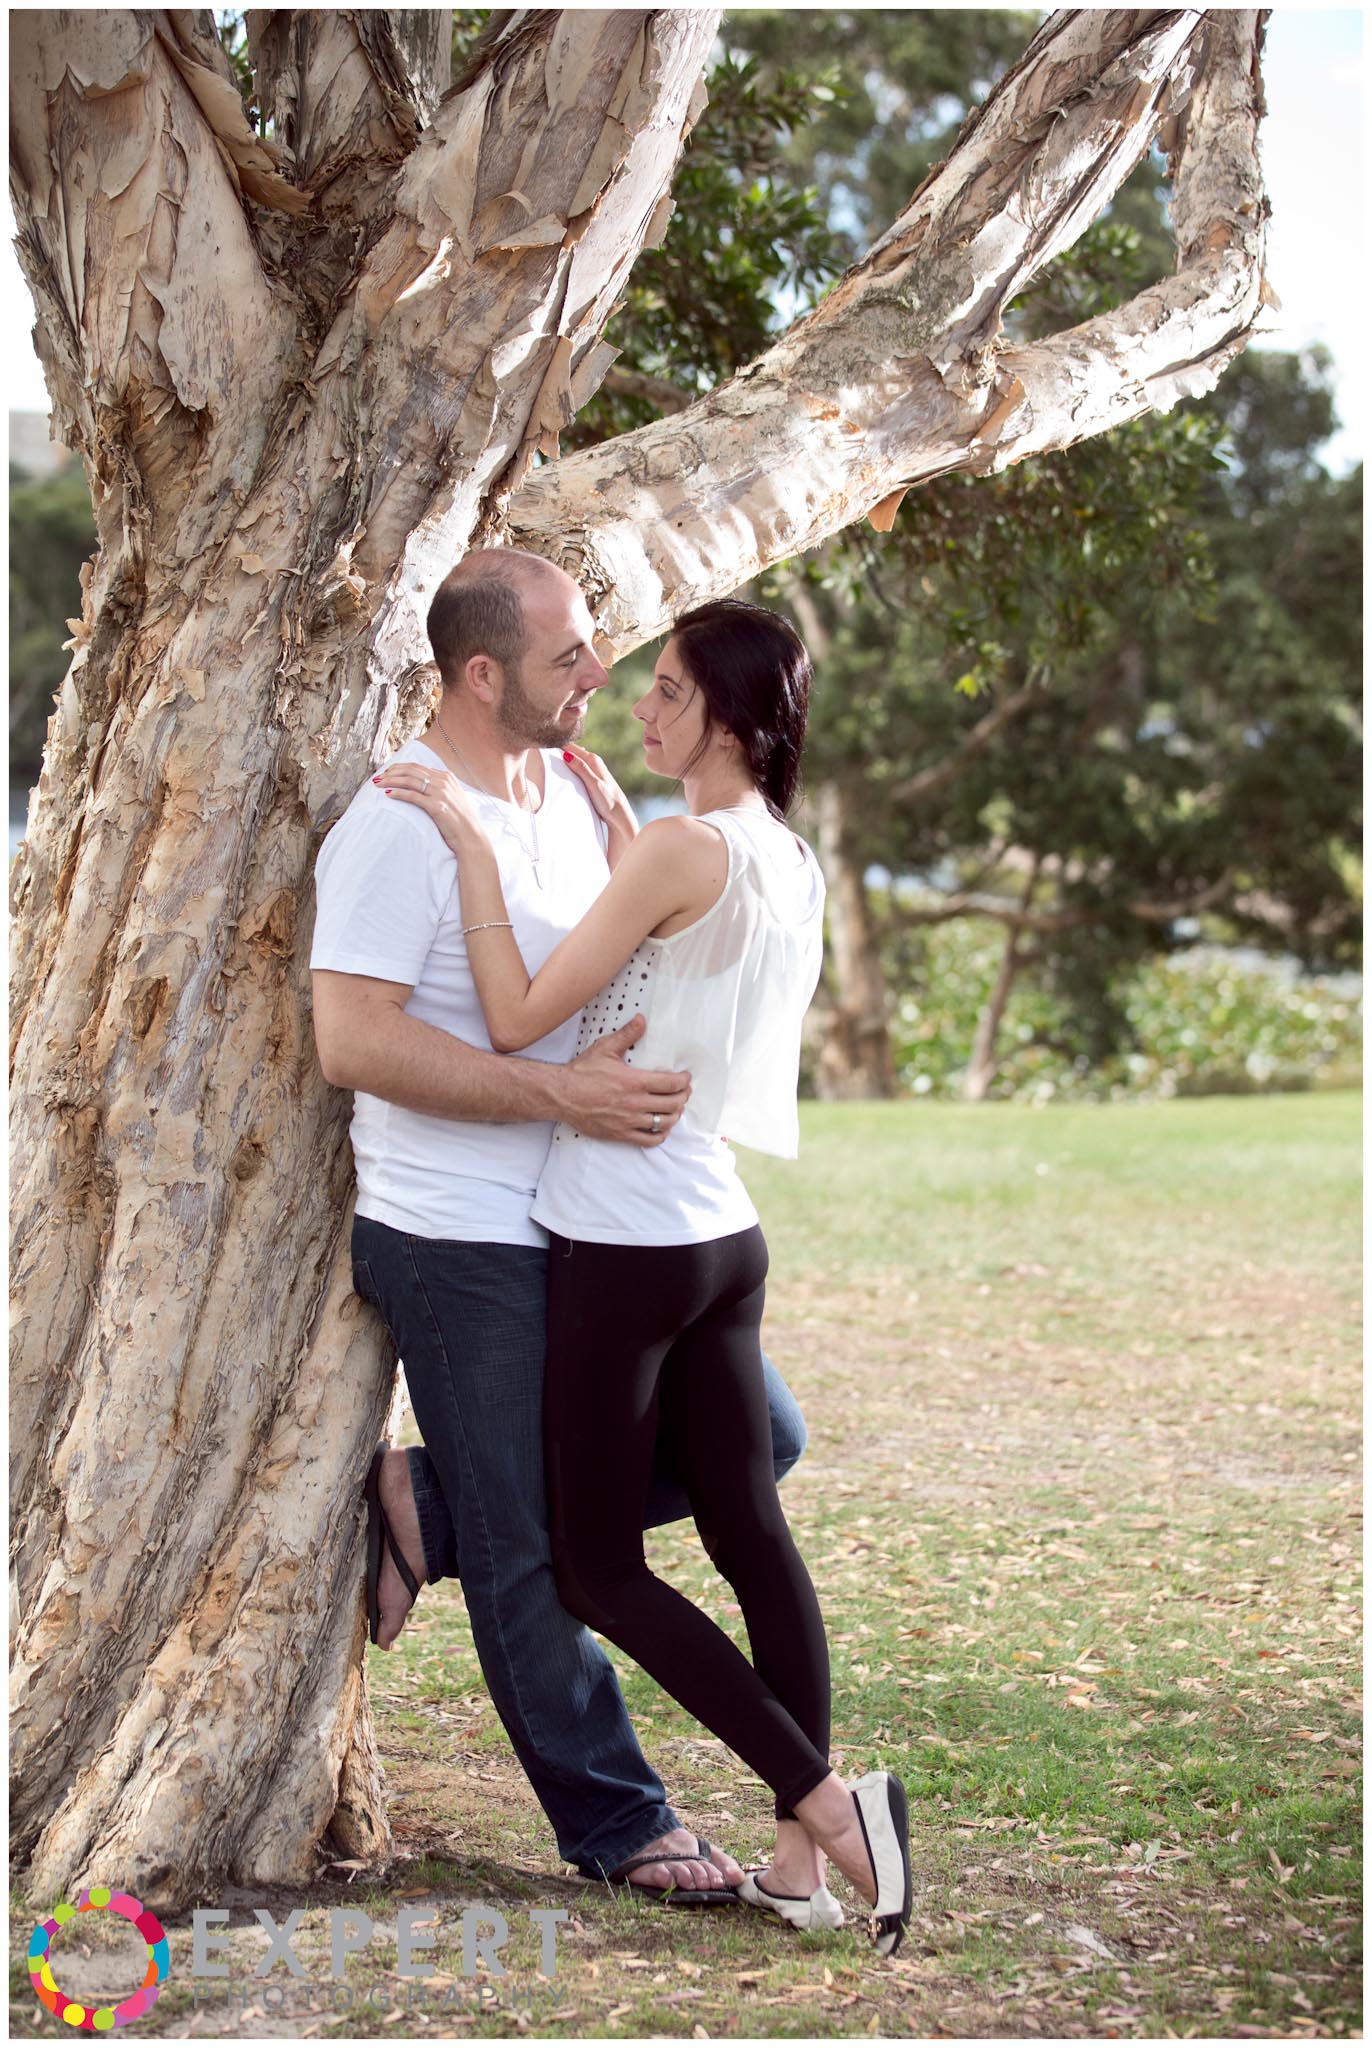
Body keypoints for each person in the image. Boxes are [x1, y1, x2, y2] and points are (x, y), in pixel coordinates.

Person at [379, 596, 913, 1956]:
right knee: (753, 1538)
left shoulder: (678, 847)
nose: (640, 705)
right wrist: (630, 847)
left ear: (726, 716)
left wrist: (468, 845)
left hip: (625, 1245)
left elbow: (518, 1019)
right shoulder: (778, 854)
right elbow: (685, 967)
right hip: (722, 1237)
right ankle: (796, 1862)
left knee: (599, 1571)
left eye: (669, 689)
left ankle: (829, 1808)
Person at [310, 548, 811, 1904]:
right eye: (567, 657)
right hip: (453, 1228)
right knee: (540, 1549)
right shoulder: (400, 822)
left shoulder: (574, 796)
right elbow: (351, 1040)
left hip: (590, 1221)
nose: (599, 672)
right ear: (483, 676)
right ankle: (618, 1821)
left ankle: (431, 1503)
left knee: (762, 1441)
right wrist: (558, 1095)